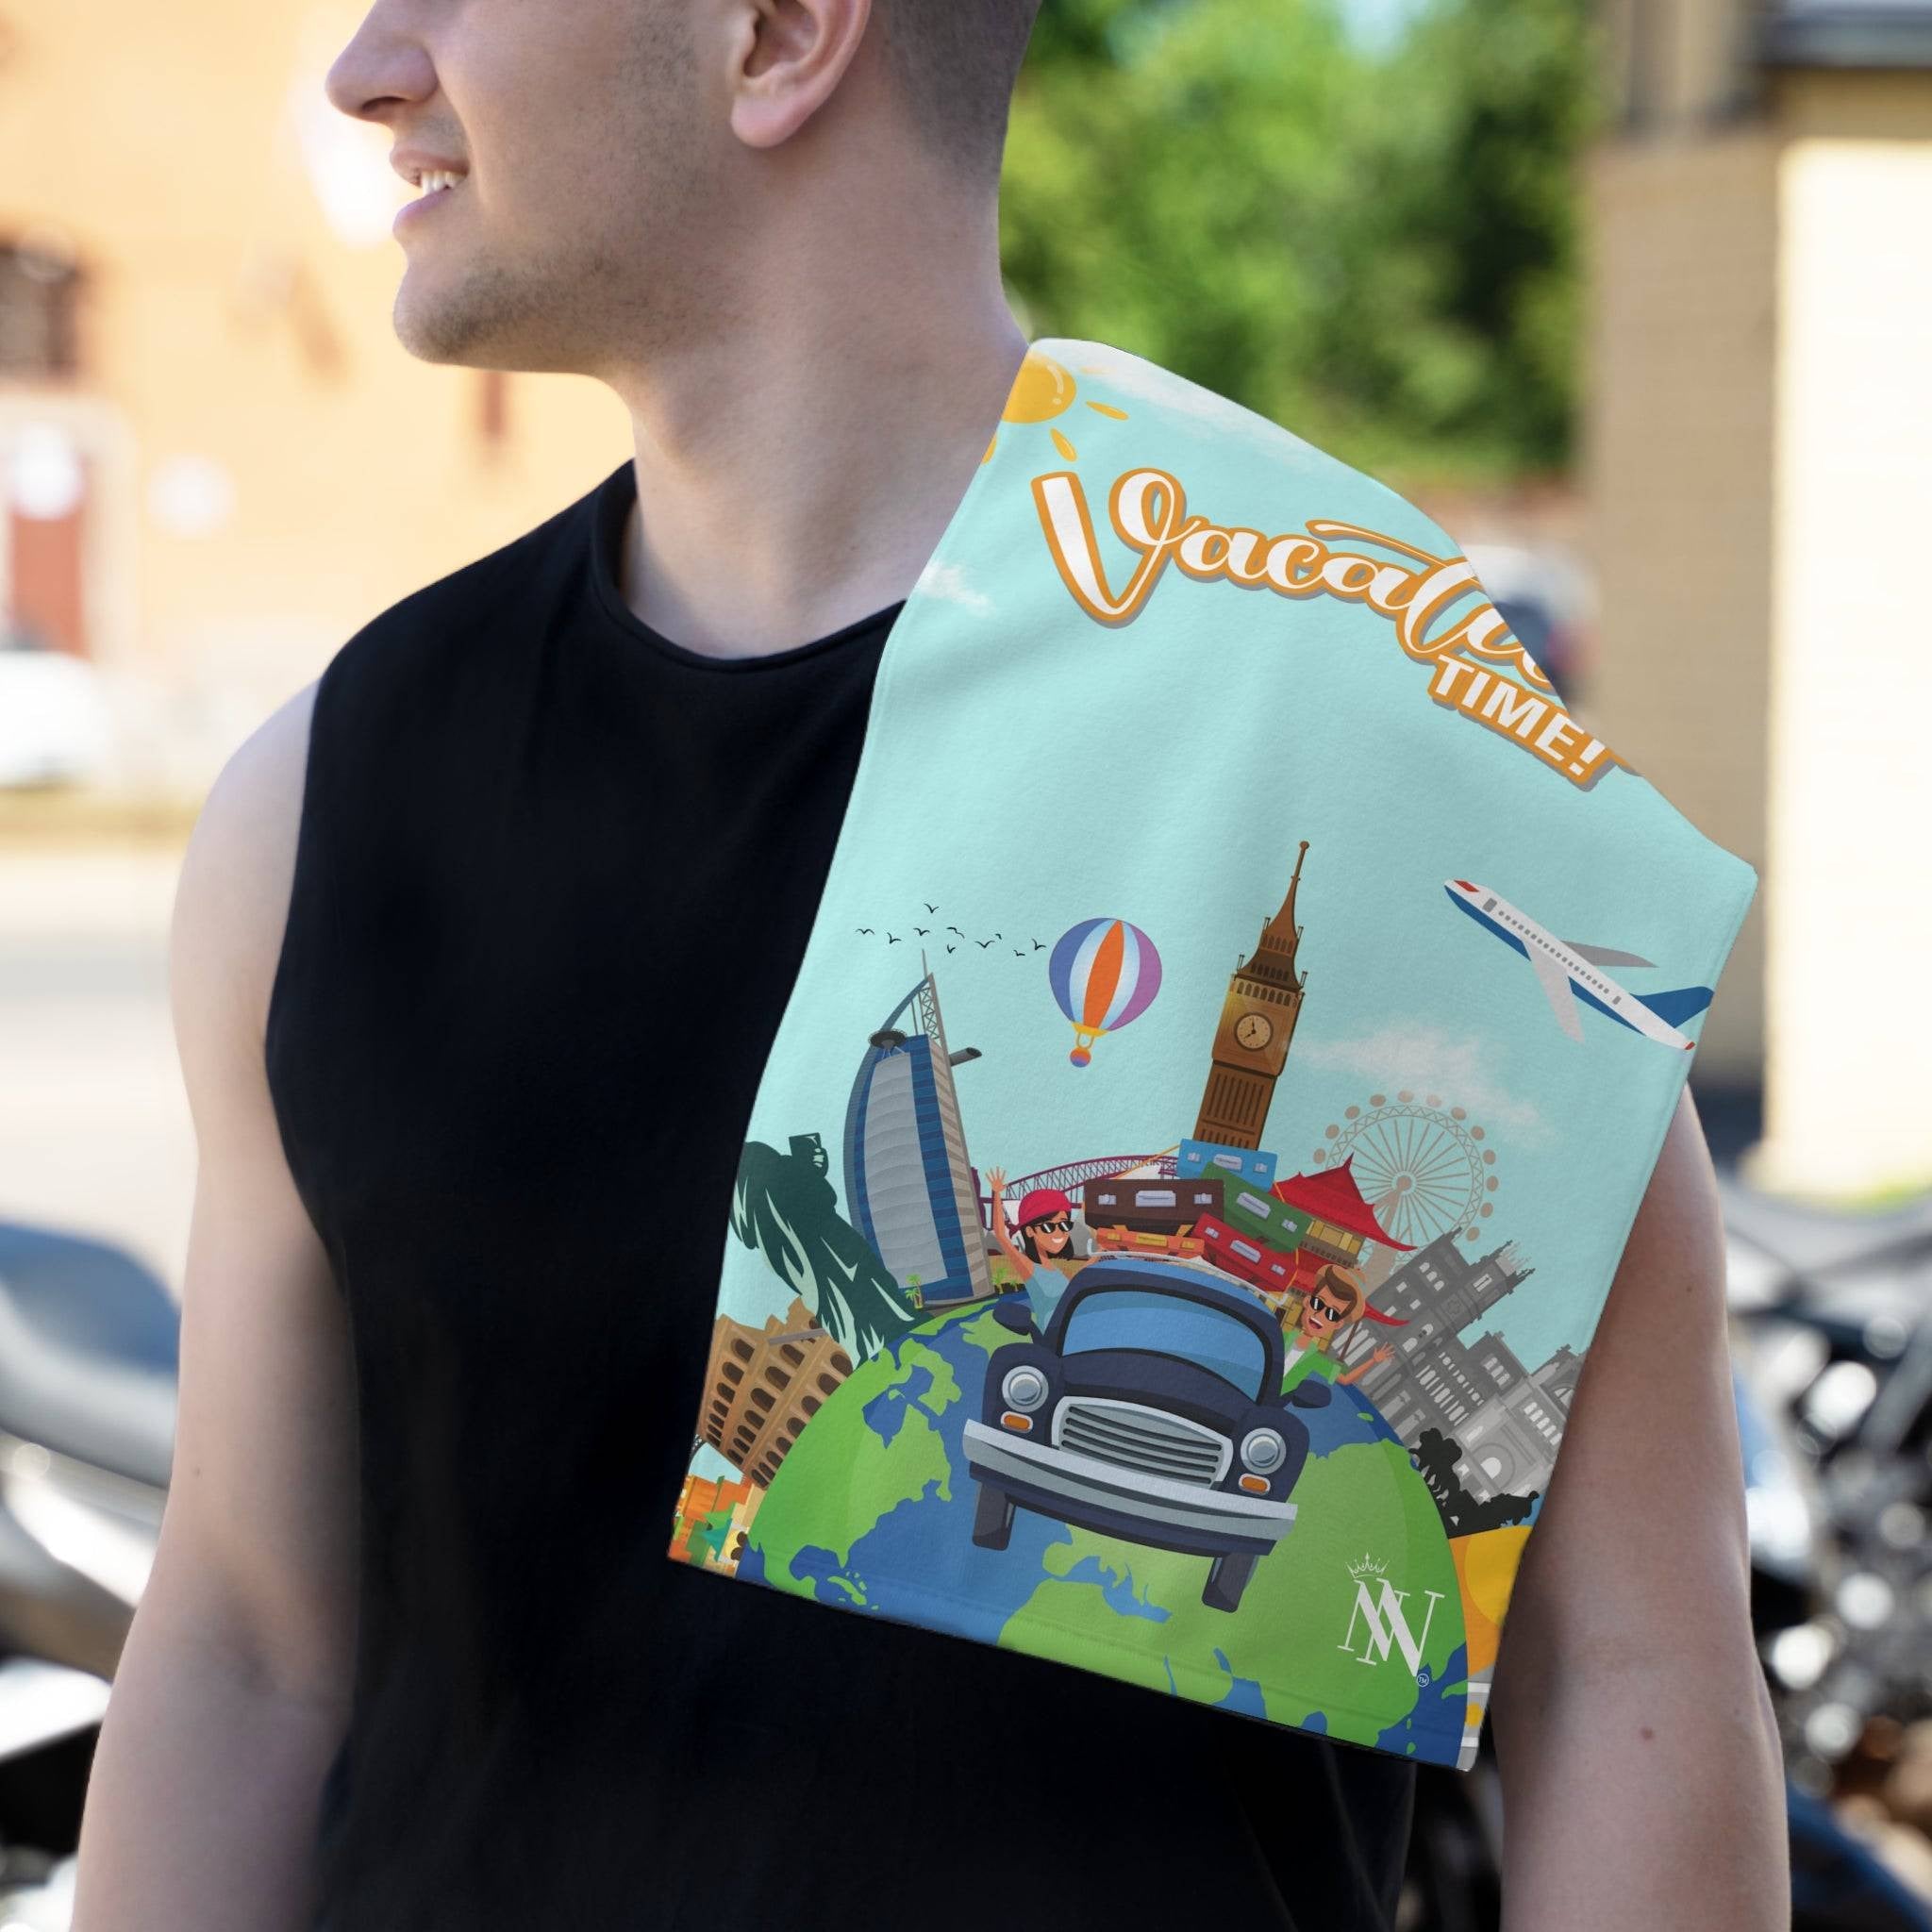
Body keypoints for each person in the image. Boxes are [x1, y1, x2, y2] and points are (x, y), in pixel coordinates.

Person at [69, 2, 1788, 1928]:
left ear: (779, 34)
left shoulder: (1377, 742)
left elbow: (1622, 1676)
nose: (369, 65)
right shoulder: (328, 797)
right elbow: (244, 1650)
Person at [1278, 1262, 1399, 1395]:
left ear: (1338, 1324)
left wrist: (1373, 1360)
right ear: (1307, 1302)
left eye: (1332, 1314)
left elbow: (1345, 1380)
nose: (1319, 1314)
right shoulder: (1280, 1336)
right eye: (1318, 1303)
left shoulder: (1314, 1359)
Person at [982, 1169, 1080, 1326]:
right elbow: (1001, 1235)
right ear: (1029, 1231)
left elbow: (1076, 1284)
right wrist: (997, 1193)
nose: (1059, 1232)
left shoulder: (1054, 1269)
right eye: (1048, 1227)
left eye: (1064, 1225)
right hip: (1052, 1338)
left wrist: (1100, 1253)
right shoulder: (1030, 1268)